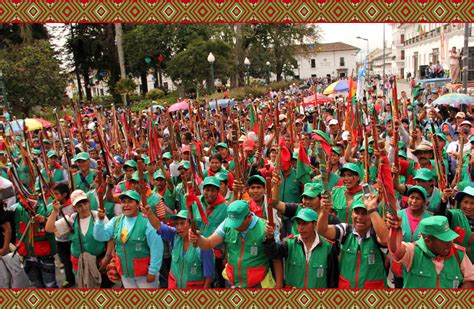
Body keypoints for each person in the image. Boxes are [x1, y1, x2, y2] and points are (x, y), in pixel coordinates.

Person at [189, 200, 282, 288]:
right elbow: (208, 244)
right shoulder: (226, 224)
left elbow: (276, 258)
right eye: (232, 222)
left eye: (237, 223)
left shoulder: (265, 228)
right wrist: (198, 238)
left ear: (248, 217)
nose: (234, 226)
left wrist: (279, 285)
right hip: (232, 283)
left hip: (258, 284)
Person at [93, 190, 164, 288]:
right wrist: (100, 221)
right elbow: (99, 236)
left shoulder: (147, 222)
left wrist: (153, 271)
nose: (126, 205)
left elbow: (157, 248)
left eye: (130, 201)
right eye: (123, 202)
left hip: (145, 275)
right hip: (126, 275)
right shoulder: (116, 221)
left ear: (138, 204)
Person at [45, 189, 114, 288]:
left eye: (85, 203)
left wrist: (107, 257)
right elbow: (49, 228)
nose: (83, 207)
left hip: (100, 262)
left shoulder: (98, 216)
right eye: (79, 205)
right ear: (74, 208)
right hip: (80, 264)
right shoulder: (71, 220)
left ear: (88, 202)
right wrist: (55, 211)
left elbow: (110, 237)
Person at [317, 193, 389, 288]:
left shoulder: (377, 233)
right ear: (351, 214)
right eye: (356, 212)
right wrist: (324, 212)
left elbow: (385, 240)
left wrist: (371, 208)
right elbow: (323, 230)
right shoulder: (345, 231)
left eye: (365, 213)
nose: (359, 217)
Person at [387, 215, 474, 288]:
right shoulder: (413, 252)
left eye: (450, 238)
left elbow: (470, 279)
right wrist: (395, 230)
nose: (450, 243)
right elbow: (396, 250)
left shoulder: (459, 254)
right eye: (444, 240)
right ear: (428, 241)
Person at [263, 208, 339, 288]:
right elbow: (273, 253)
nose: (301, 228)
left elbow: (333, 280)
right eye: (298, 224)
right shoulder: (289, 243)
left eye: (305, 224)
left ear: (315, 224)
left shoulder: (328, 247)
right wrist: (269, 237)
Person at [146, 208, 215, 288]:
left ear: (191, 225)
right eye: (177, 224)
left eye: (182, 223)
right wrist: (149, 213)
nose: (178, 227)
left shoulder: (203, 245)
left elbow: (209, 276)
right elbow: (158, 226)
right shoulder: (175, 236)